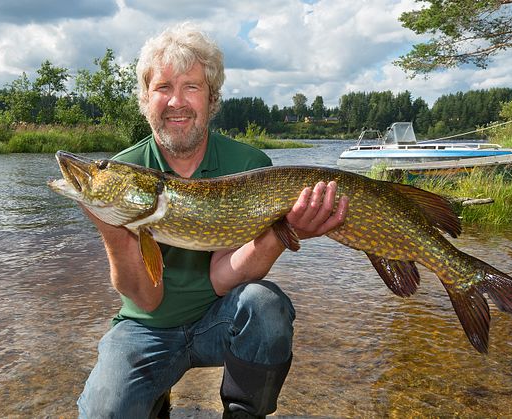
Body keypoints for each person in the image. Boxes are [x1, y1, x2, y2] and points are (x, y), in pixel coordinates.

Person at [76, 23, 349, 419]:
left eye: (191, 87)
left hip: (221, 321)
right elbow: (148, 299)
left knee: (265, 305)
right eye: (163, 88)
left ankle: (243, 412)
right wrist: (112, 227)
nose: (176, 102)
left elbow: (223, 275)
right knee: (104, 412)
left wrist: (281, 231)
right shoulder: (125, 171)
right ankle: (154, 396)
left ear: (212, 98)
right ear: (145, 99)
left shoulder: (250, 167)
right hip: (146, 328)